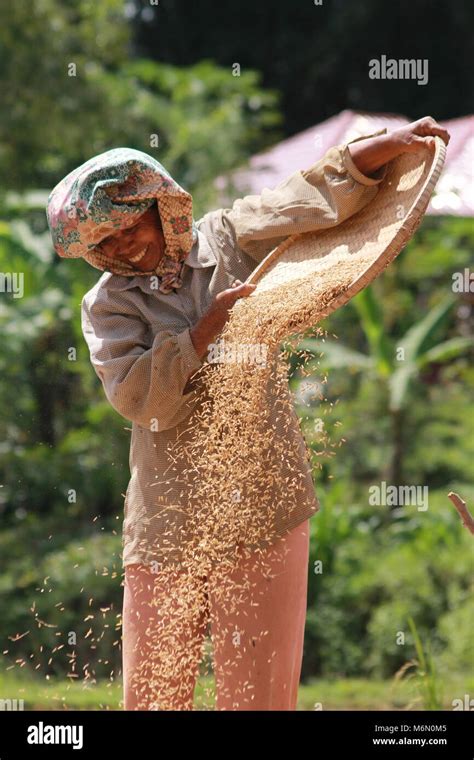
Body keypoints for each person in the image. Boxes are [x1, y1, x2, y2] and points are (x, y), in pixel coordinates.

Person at [46, 116, 449, 711]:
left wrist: (377, 151)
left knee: (259, 697)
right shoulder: (106, 306)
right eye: (103, 243)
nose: (123, 247)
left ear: (162, 207)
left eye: (130, 226)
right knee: (156, 697)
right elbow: (138, 399)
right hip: (169, 518)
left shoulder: (229, 239)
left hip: (266, 500)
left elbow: (304, 200)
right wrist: (207, 330)